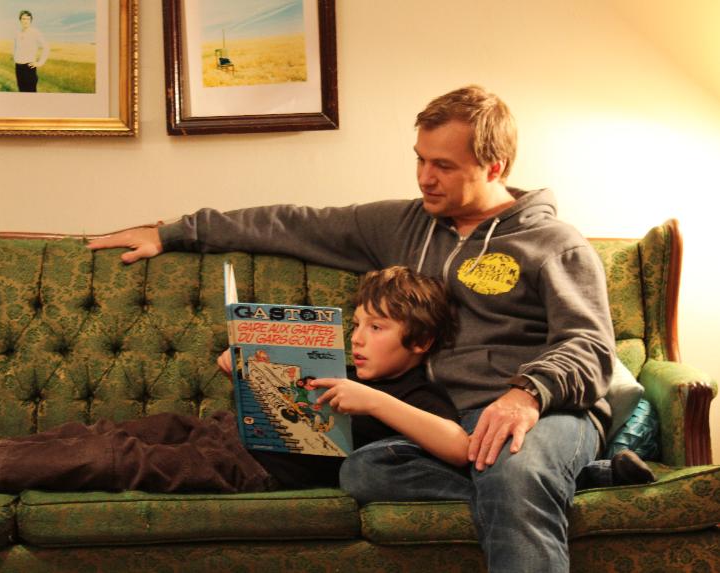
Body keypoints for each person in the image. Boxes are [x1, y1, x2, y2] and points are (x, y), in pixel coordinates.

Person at [85, 85, 625, 572]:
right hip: (441, 423)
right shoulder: (405, 224)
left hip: (540, 413)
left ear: (494, 165)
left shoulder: (554, 244)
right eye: (419, 159)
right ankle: (575, 481)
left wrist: (525, 395)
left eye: (443, 165)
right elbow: (294, 223)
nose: (424, 178)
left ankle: (537, 481)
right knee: (366, 472)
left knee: (513, 469)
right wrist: (175, 232)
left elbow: (590, 346)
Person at [0, 267, 469, 494]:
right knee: (116, 429)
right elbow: (283, 409)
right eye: (357, 324)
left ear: (419, 343)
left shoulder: (419, 395)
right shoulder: (336, 368)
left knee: (122, 459)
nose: (358, 338)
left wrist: (371, 401)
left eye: (377, 329)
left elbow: (459, 446)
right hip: (224, 433)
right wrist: (250, 371)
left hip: (250, 472)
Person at [13, 10, 49, 93]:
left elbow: (46, 47)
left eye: (28, 19)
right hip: (18, 68)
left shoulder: (35, 32)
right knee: (21, 92)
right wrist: (15, 59)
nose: (25, 21)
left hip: (29, 68)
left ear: (31, 20)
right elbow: (16, 48)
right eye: (23, 19)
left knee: (30, 93)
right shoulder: (17, 33)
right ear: (20, 20)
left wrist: (39, 63)